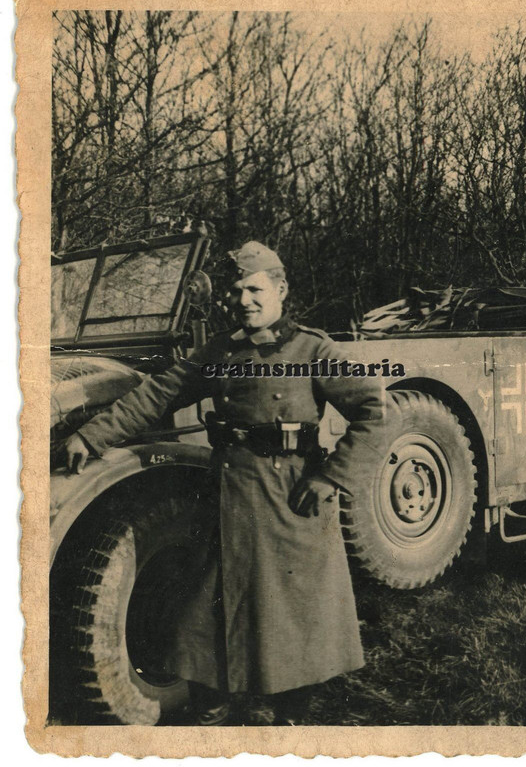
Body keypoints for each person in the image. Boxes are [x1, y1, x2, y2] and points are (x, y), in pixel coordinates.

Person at [64, 240, 400, 725]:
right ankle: (213, 711)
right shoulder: (220, 352)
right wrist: (91, 436)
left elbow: (375, 409)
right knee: (207, 612)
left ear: (281, 289)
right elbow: (158, 394)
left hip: (291, 504)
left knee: (292, 616)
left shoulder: (313, 349)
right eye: (237, 291)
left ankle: (289, 719)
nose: (245, 300)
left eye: (255, 289)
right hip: (227, 499)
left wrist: (333, 476)